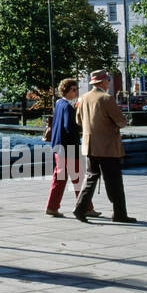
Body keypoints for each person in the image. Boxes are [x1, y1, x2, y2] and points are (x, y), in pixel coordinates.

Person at [74, 69, 135, 223]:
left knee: (91, 177)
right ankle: (120, 213)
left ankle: (80, 209)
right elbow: (121, 122)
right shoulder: (106, 98)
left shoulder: (83, 98)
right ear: (102, 82)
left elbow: (78, 121)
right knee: (114, 180)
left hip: (90, 145)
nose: (109, 81)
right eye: (108, 79)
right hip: (107, 146)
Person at [45, 79, 100, 217]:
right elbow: (69, 128)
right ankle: (86, 208)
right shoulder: (67, 107)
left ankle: (52, 207)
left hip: (58, 147)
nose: (76, 92)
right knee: (78, 179)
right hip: (69, 148)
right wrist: (81, 128)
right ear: (67, 90)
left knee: (59, 178)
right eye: (74, 90)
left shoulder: (58, 103)